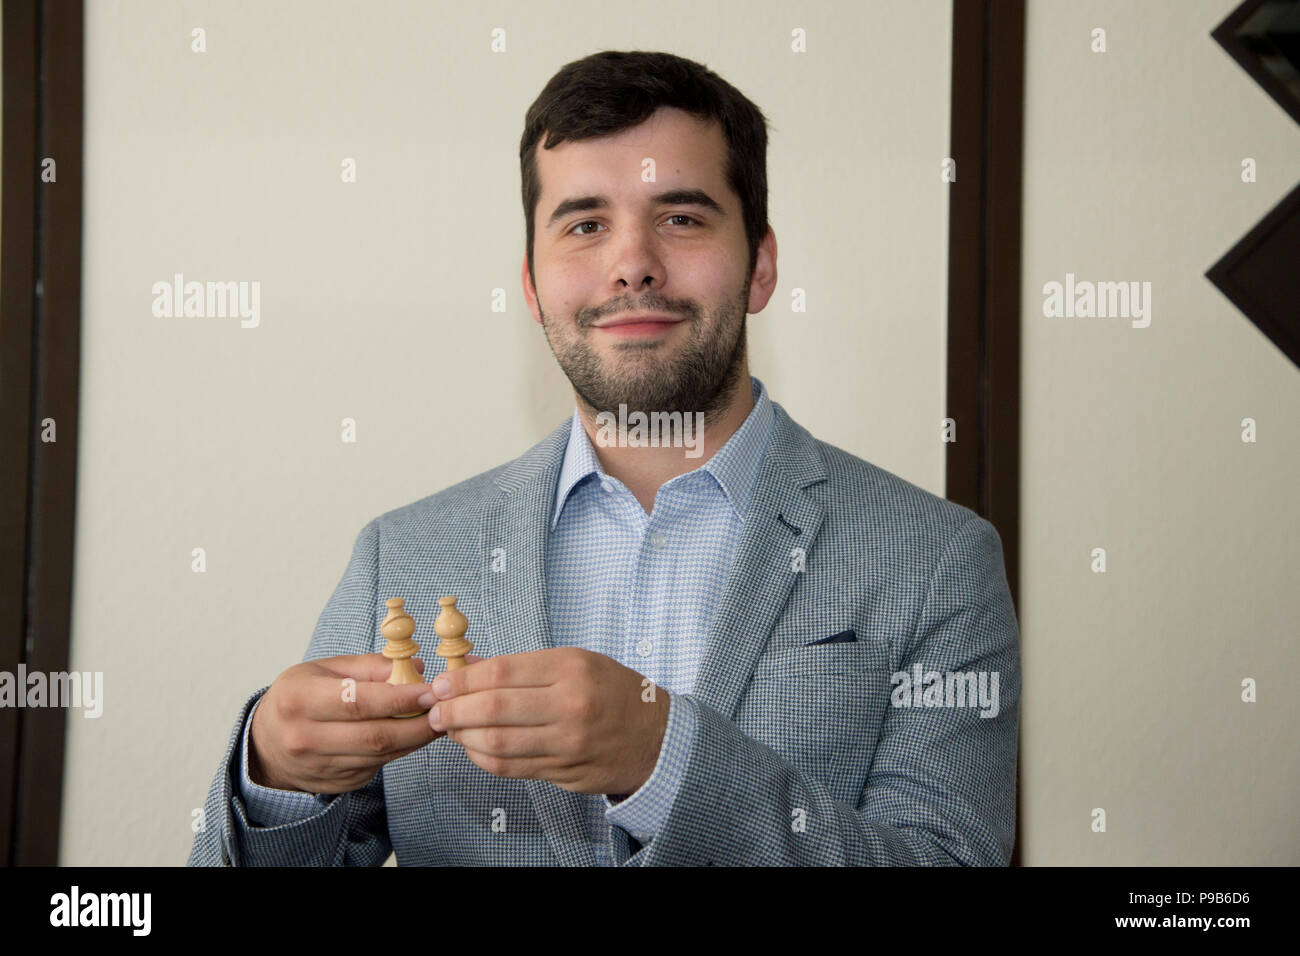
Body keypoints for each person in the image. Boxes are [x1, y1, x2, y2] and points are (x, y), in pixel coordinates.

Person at [187, 49, 1019, 867]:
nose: (632, 266)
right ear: (532, 283)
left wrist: (668, 759)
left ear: (761, 266)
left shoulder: (937, 559)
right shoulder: (398, 556)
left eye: (682, 218)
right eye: (586, 225)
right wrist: (273, 785)